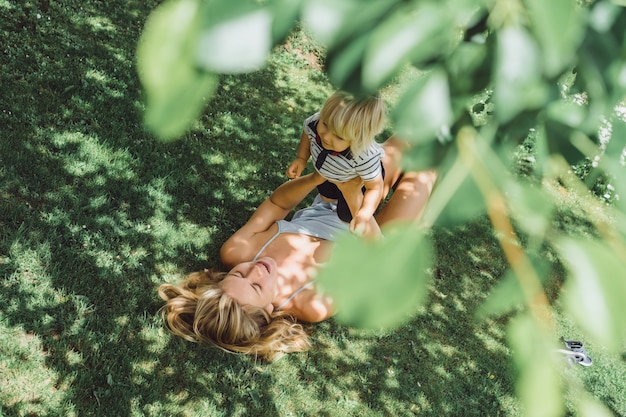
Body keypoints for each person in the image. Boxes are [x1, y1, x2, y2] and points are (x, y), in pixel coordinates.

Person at [158, 138, 437, 361]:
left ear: (223, 277)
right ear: (268, 311)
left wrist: (317, 178)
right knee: (427, 166)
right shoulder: (311, 303)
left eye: (239, 275)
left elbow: (277, 205)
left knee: (403, 143)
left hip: (329, 205)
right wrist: (355, 200)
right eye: (256, 286)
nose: (255, 271)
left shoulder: (238, 251)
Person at [286, 91, 386, 236]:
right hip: (329, 169)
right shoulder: (315, 123)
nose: (326, 136)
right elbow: (307, 133)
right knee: (326, 195)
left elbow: (375, 188)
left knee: (347, 216)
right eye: (325, 124)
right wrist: (301, 158)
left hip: (357, 179)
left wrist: (363, 215)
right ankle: (331, 202)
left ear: (357, 140)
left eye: (338, 136)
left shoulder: (364, 157)